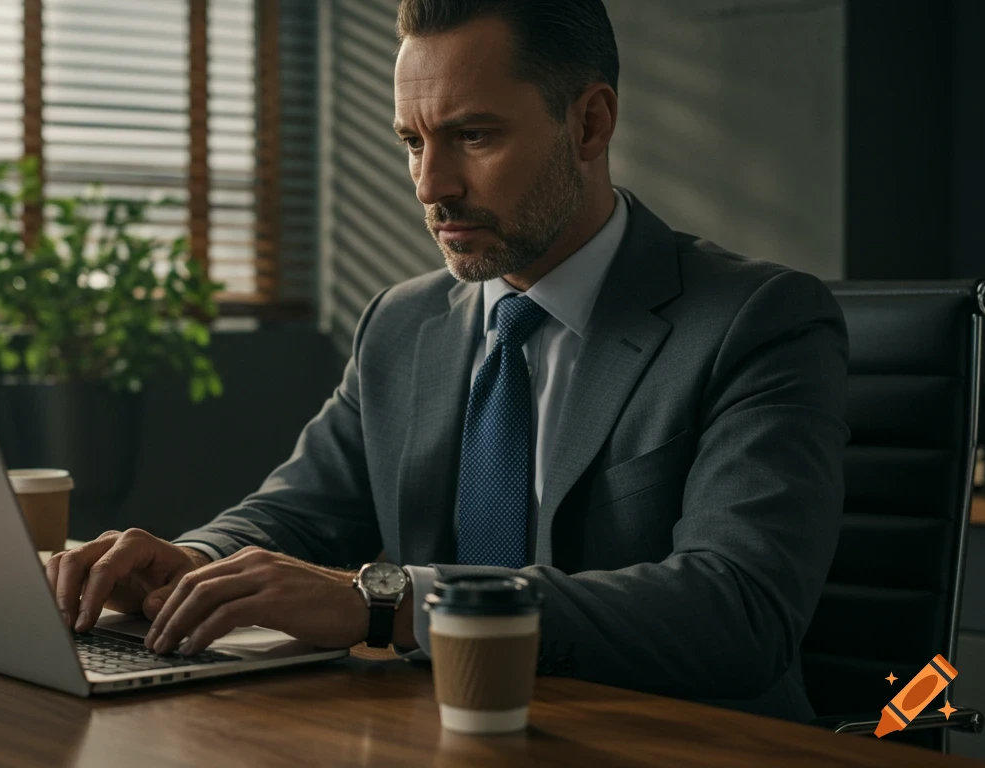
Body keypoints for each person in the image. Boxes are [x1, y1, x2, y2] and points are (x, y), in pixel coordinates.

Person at [47, 0, 847, 722]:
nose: (432, 185)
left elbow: (739, 611)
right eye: (411, 141)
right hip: (433, 732)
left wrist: (387, 604)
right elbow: (297, 513)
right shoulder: (403, 322)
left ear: (591, 125)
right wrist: (192, 562)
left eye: (474, 135)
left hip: (669, 739)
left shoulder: (757, 320)